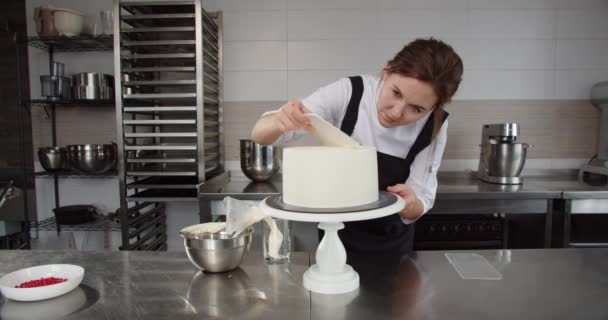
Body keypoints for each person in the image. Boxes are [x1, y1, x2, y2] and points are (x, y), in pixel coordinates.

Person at [251, 38, 463, 256]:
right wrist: (278, 121)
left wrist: (411, 204)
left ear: (433, 107)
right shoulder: (350, 92)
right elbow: (260, 135)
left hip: (393, 244)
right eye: (396, 93)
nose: (397, 112)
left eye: (416, 109)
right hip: (335, 235)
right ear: (387, 72)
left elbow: (422, 199)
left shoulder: (435, 124)